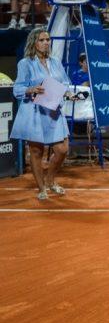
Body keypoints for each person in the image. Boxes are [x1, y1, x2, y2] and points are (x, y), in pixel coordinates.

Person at [11, 28, 72, 200]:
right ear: (34, 43)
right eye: (42, 40)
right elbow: (17, 88)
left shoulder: (56, 62)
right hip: (35, 111)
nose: (46, 43)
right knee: (36, 152)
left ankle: (50, 180)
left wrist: (67, 92)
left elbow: (65, 82)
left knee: (62, 149)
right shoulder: (25, 63)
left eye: (48, 39)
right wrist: (31, 89)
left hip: (54, 111)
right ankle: (41, 188)